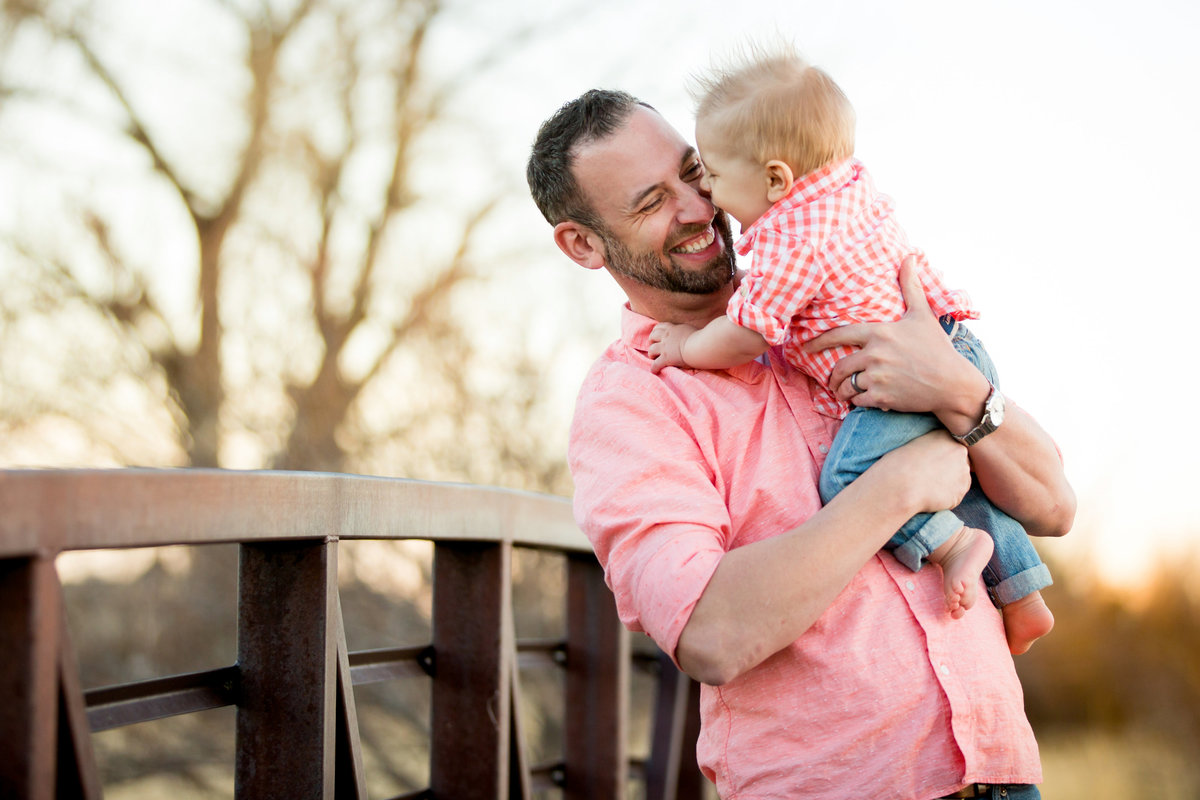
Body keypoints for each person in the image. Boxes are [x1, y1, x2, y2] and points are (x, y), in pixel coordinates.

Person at [527, 89, 1074, 799]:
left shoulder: (830, 295)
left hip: (1001, 772)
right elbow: (710, 633)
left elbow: (1055, 504)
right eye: (650, 202)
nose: (697, 208)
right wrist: (900, 487)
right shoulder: (631, 403)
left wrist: (956, 389)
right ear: (583, 243)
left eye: (696, 174)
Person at [645, 46, 1053, 654]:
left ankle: (956, 546)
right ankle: (1023, 593)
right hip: (955, 344)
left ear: (776, 179)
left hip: (903, 381)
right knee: (964, 478)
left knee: (848, 476)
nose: (709, 195)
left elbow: (748, 333)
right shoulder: (847, 184)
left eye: (713, 174)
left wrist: (683, 345)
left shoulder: (791, 240)